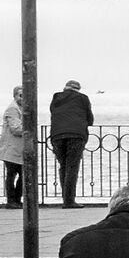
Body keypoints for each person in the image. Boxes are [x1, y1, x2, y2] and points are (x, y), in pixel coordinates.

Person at [48, 80, 95, 208]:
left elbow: (53, 113)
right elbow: (90, 119)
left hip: (57, 135)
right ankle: (69, 201)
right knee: (72, 167)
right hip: (76, 134)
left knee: (63, 166)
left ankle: (65, 198)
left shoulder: (56, 98)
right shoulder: (83, 98)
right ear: (77, 89)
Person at [0, 86, 29, 208]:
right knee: (12, 174)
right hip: (11, 148)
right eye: (20, 95)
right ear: (15, 96)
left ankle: (16, 199)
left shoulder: (21, 108)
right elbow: (16, 128)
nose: (23, 98)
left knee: (21, 174)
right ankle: (12, 200)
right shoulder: (13, 109)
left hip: (17, 148)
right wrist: (29, 129)